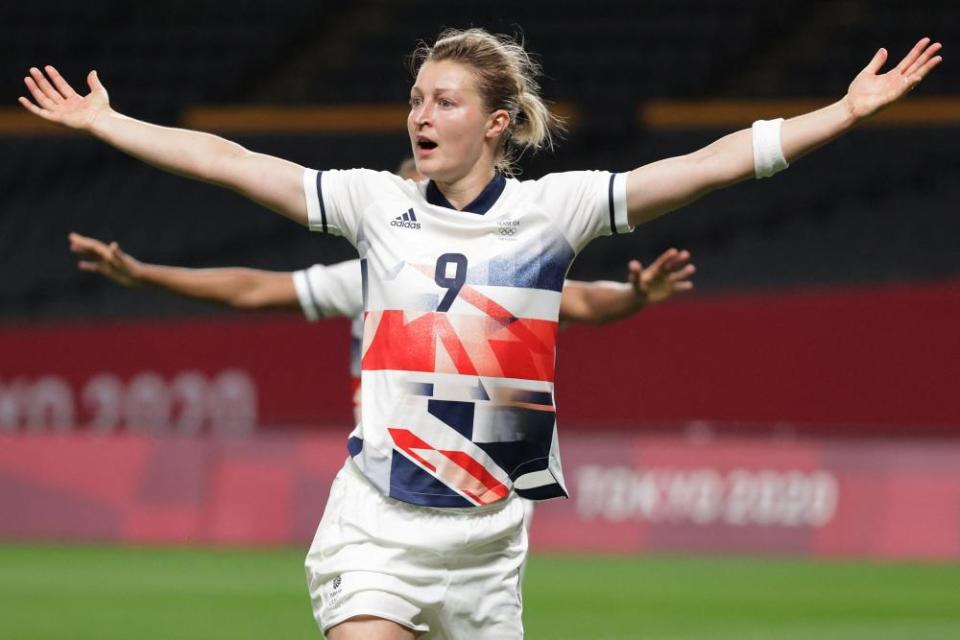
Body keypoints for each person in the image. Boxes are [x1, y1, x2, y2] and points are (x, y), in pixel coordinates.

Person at [21, 29, 941, 640]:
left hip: (489, 540)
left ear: (497, 123)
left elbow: (708, 165)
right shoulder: (374, 208)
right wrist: (110, 123)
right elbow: (233, 162)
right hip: (377, 522)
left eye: (446, 102)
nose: (421, 115)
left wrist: (843, 114)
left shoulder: (556, 214)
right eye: (416, 98)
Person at [67, 231, 695, 425]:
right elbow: (255, 288)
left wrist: (635, 296)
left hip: (476, 484)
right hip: (385, 479)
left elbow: (586, 302)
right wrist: (147, 273)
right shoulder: (371, 274)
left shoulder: (499, 272)